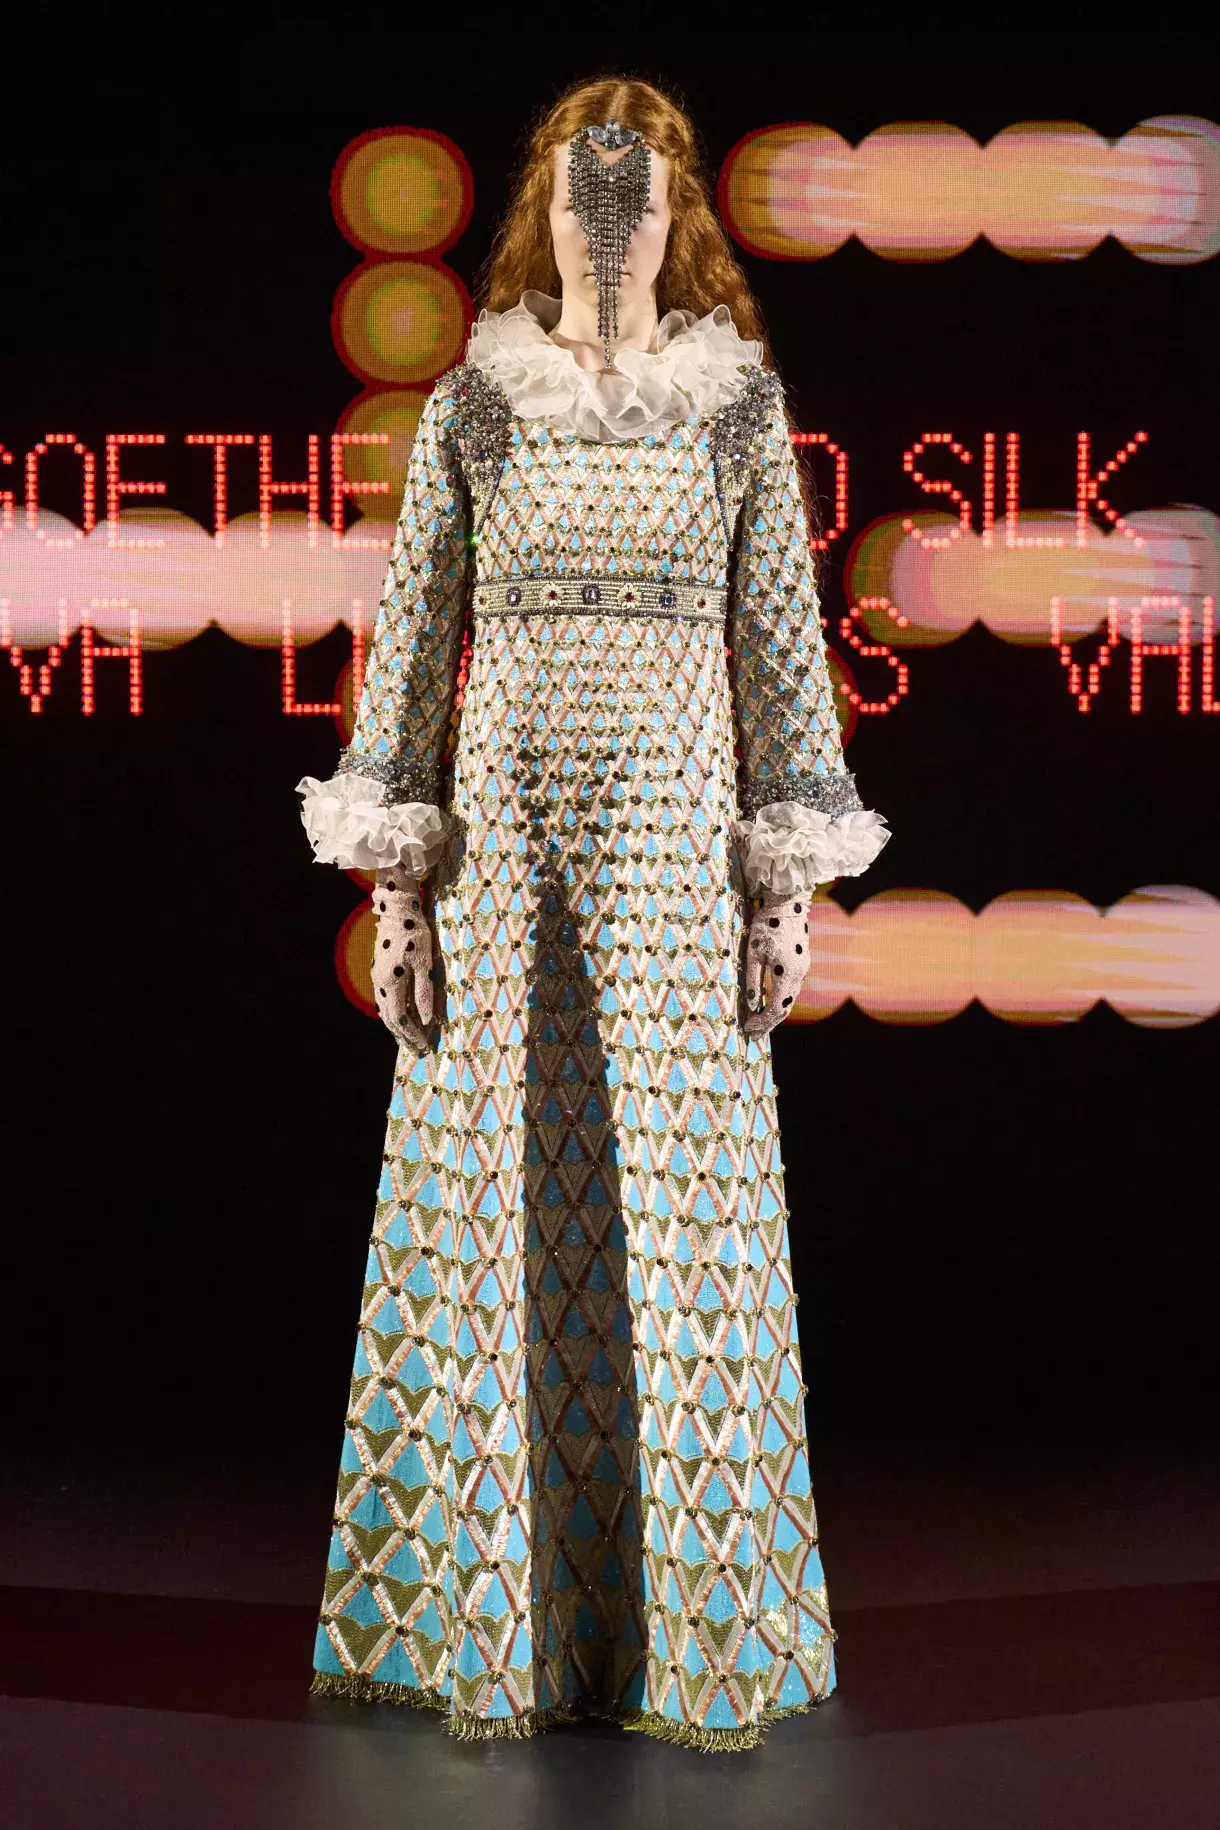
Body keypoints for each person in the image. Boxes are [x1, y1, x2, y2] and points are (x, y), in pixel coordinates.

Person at [296, 75, 889, 1752]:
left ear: (679, 213)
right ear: (541, 209)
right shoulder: (478, 404)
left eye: (635, 195)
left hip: (674, 849)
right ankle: (507, 1620)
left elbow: (784, 652)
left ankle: (691, 1631)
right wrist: (402, 886)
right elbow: (412, 646)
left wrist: (783, 888)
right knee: (502, 1182)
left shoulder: (733, 408)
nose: (607, 222)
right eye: (580, 191)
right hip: (506, 847)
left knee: (686, 1198)